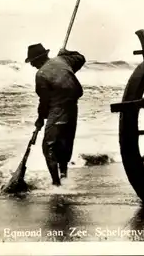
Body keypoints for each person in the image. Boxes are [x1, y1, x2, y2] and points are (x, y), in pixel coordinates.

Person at [25, 43, 86, 186]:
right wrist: (66, 53)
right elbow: (81, 58)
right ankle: (64, 176)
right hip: (73, 109)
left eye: (32, 61)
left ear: (38, 59)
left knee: (49, 147)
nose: (32, 65)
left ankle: (56, 184)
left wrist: (40, 119)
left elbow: (44, 101)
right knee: (64, 143)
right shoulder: (63, 60)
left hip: (57, 110)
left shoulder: (41, 74)